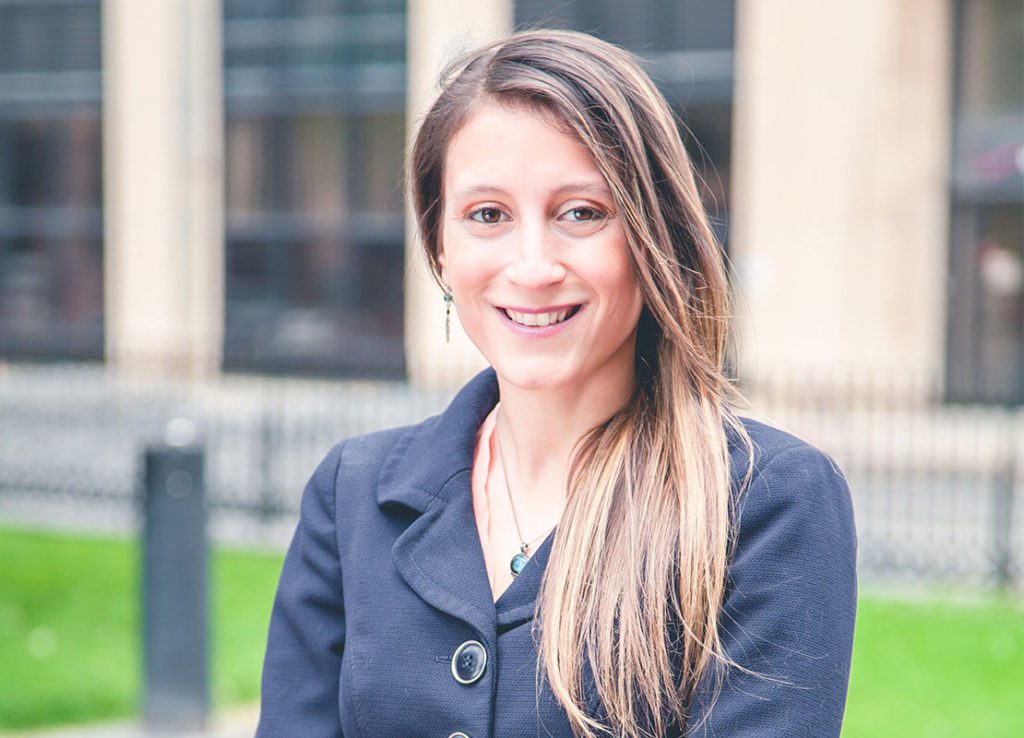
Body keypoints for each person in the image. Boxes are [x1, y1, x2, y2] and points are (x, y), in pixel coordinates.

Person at [256, 29, 856, 738]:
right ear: (440, 246)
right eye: (488, 216)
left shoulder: (763, 504)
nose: (533, 265)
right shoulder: (351, 494)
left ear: (650, 237)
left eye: (581, 213)